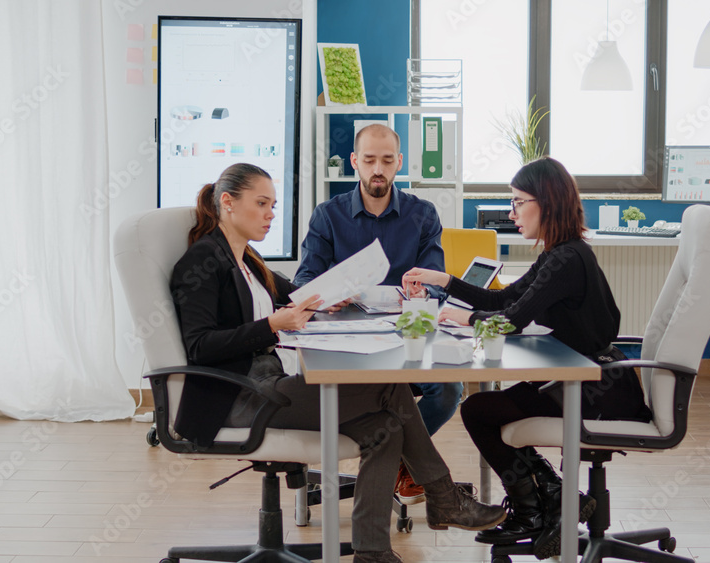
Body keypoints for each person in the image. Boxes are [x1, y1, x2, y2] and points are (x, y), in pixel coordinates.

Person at [170, 163, 505, 563]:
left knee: (385, 426)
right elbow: (200, 346)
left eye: (273, 205)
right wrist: (271, 325)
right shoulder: (203, 261)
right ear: (227, 203)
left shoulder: (246, 258)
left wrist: (330, 296)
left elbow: (297, 292)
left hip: (268, 382)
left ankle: (373, 551)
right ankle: (443, 495)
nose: (270, 214)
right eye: (261, 204)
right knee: (389, 387)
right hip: (239, 397)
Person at [401, 157, 653, 559]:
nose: (511, 212)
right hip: (586, 378)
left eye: (519, 202)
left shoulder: (566, 259)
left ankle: (535, 506)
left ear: (547, 203)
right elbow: (503, 299)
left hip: (597, 389)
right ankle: (548, 498)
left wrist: (463, 317)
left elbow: (512, 320)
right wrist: (444, 280)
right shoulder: (560, 254)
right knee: (483, 408)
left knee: (480, 411)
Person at [294, 123, 462, 503]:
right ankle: (408, 466)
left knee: (451, 389)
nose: (378, 170)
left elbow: (435, 280)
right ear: (355, 161)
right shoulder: (328, 215)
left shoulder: (422, 215)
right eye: (369, 160)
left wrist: (423, 292)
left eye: (387, 160)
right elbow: (304, 280)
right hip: (346, 345)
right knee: (383, 395)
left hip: (404, 340)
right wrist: (324, 296)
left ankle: (401, 463)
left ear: (399, 162)